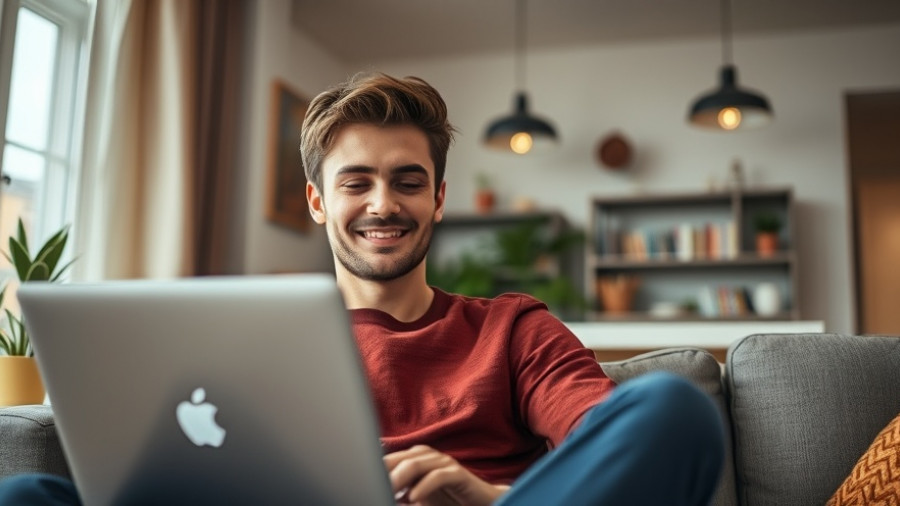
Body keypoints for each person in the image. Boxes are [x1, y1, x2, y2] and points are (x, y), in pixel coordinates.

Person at [0, 72, 724, 505]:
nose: (384, 204)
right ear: (318, 202)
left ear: (439, 199)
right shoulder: (240, 337)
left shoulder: (512, 328)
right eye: (357, 182)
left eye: (409, 182)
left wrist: (490, 498)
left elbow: (609, 436)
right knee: (27, 495)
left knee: (672, 408)